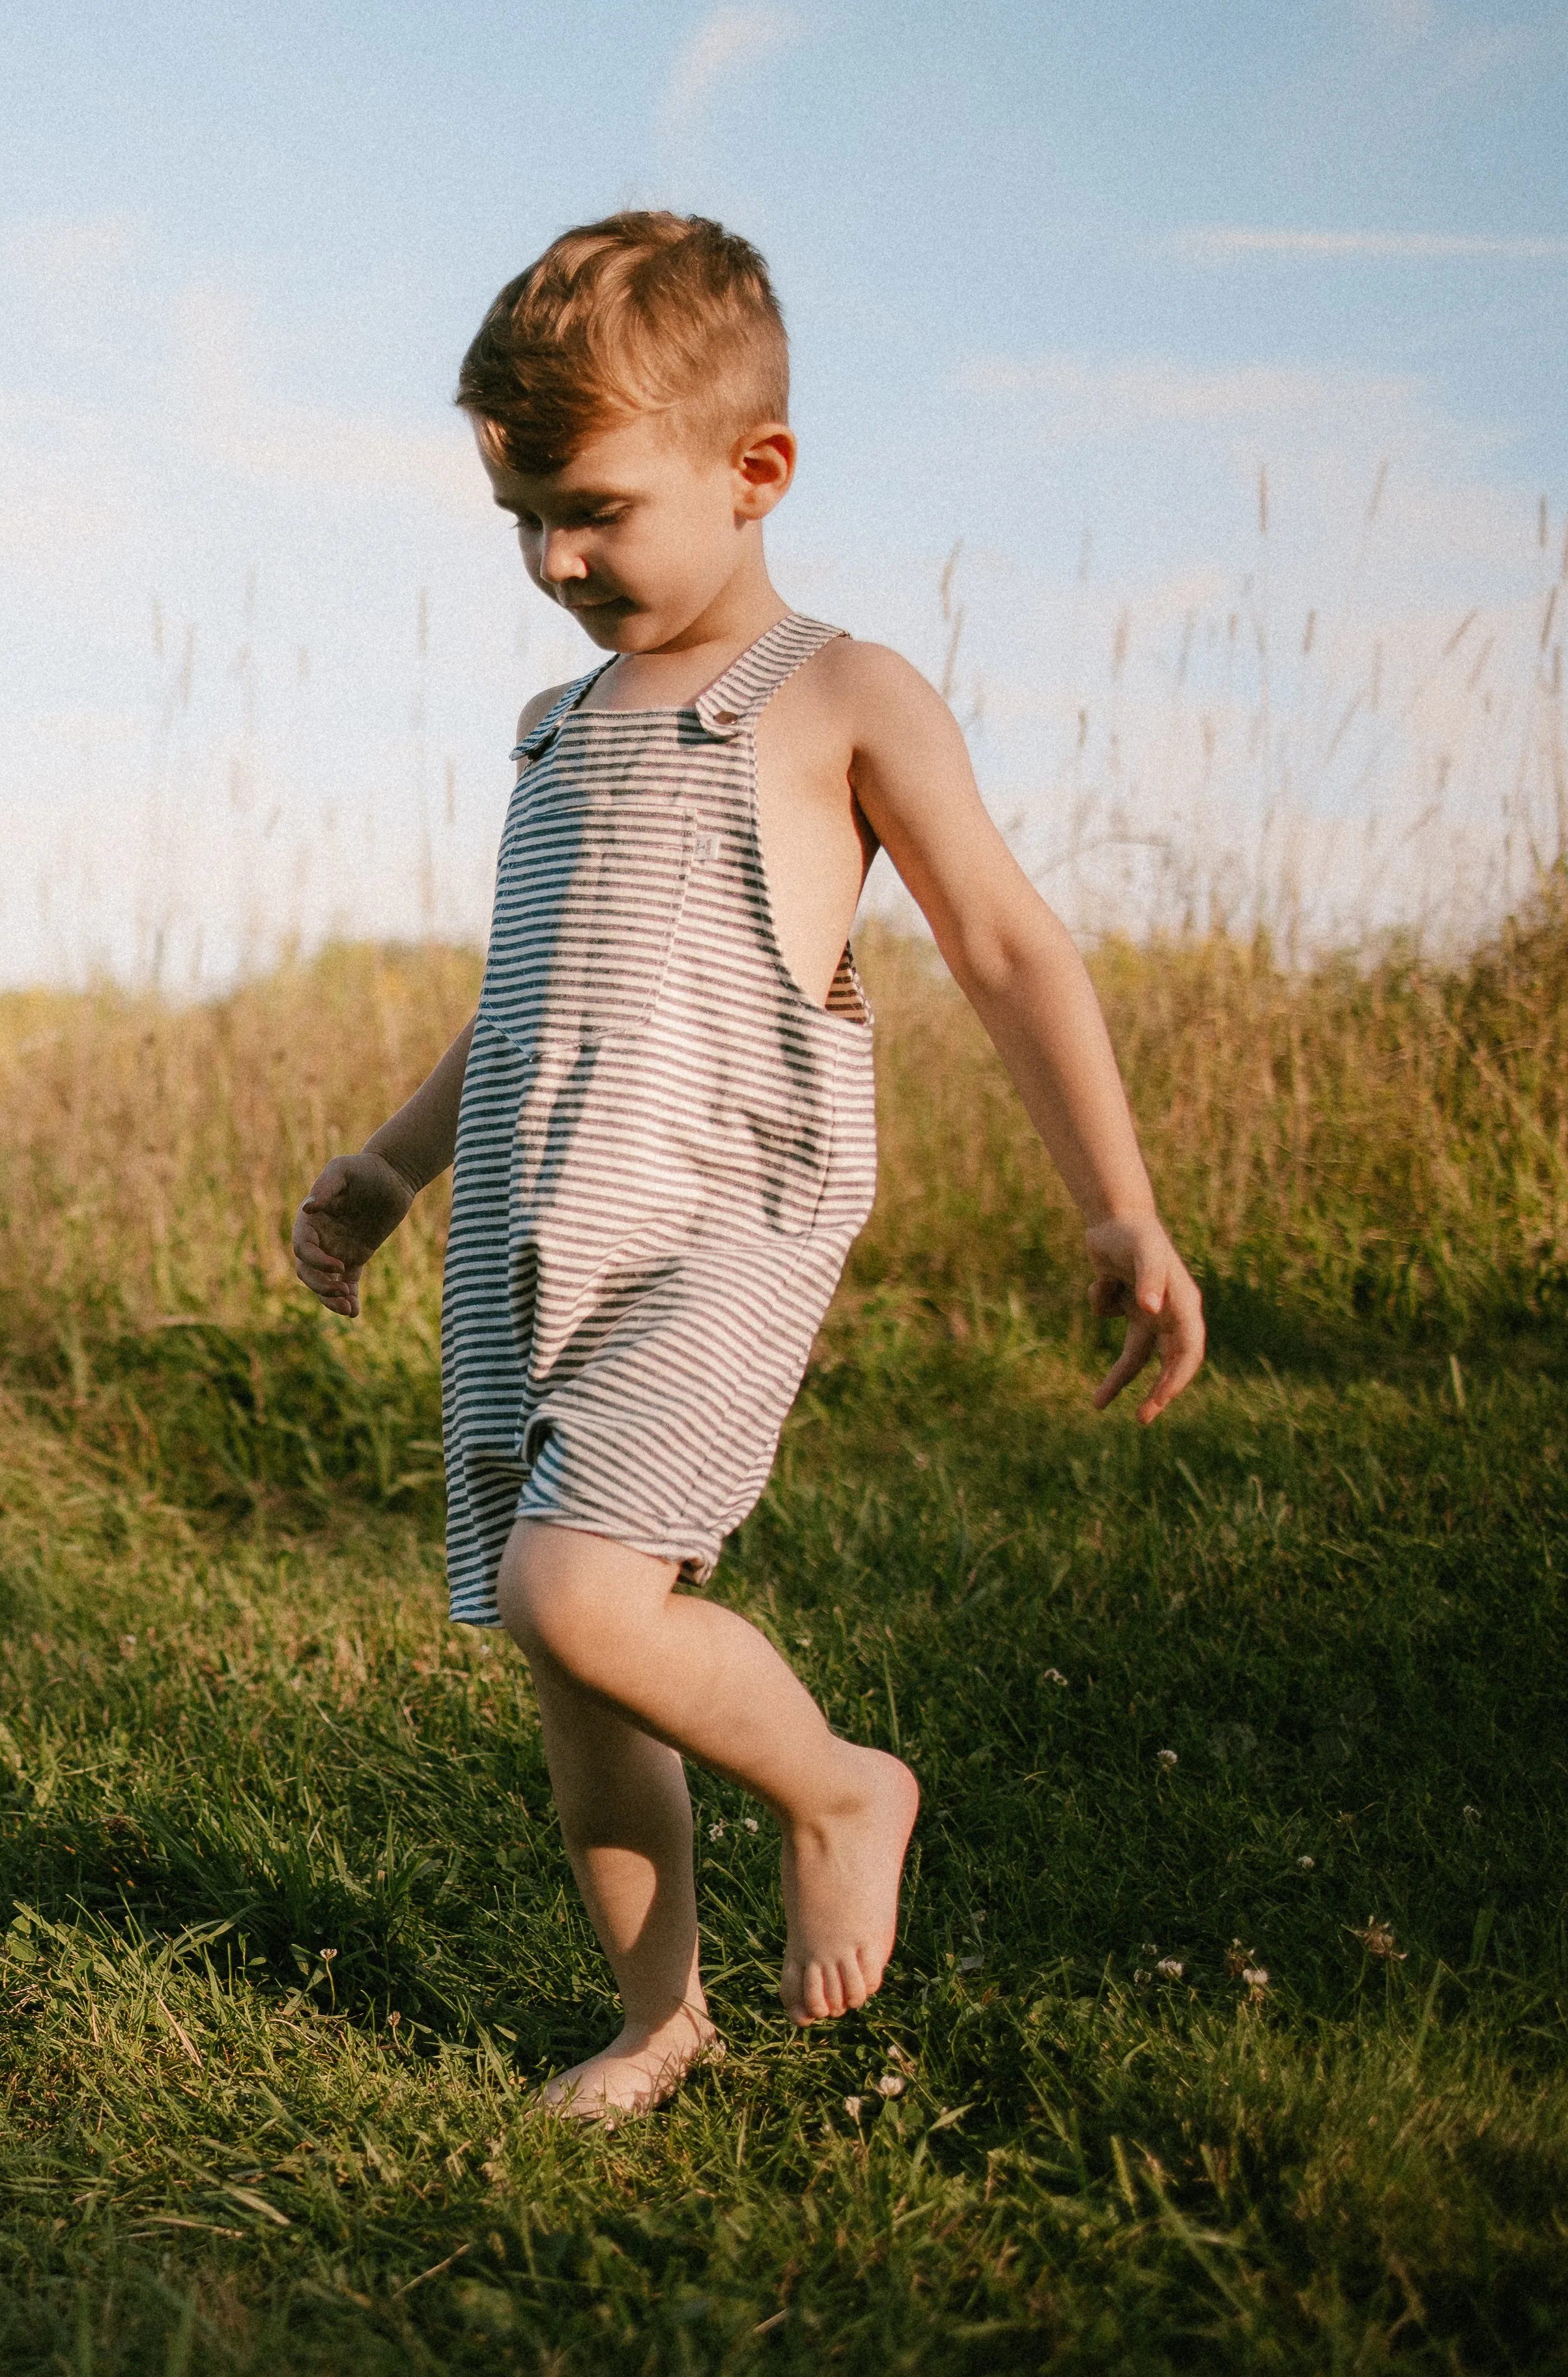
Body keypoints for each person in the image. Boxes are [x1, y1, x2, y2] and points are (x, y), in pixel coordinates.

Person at [290, 212, 1206, 2123]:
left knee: (576, 1595)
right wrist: (388, 1170)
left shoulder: (837, 697)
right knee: (583, 1689)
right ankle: (658, 2017)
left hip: (719, 1239)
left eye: (596, 509)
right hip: (529, 1256)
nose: (556, 559)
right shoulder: (551, 733)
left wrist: (1116, 1199)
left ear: (755, 471)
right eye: (525, 519)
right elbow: (520, 1009)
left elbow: (1011, 945)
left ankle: (842, 1786)